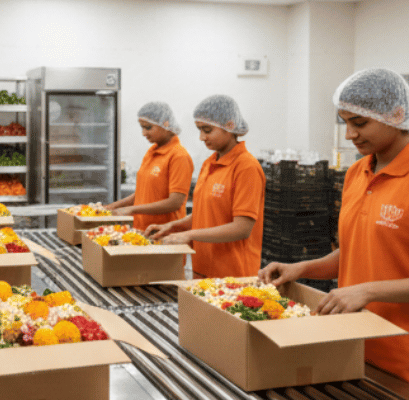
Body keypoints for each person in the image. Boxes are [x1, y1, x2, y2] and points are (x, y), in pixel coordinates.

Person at [260, 68, 409, 382]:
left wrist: (367, 291)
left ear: (396, 115)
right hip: (350, 341)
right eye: (346, 123)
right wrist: (301, 268)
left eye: (360, 123)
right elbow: (355, 252)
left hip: (399, 357)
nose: (350, 135)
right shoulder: (357, 173)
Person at [146, 95, 265, 278]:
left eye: (207, 130)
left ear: (230, 125)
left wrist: (191, 235)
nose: (202, 137)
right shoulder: (209, 163)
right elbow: (204, 213)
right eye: (199, 130)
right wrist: (173, 226)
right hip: (203, 268)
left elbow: (242, 228)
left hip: (233, 274)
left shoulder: (246, 167)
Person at [105, 102, 194, 232]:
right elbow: (141, 193)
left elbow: (175, 202)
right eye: (142, 128)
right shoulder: (151, 152)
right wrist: (110, 207)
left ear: (165, 123)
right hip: (142, 230)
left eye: (148, 127)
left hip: (165, 234)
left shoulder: (179, 156)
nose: (143, 133)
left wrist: (133, 209)